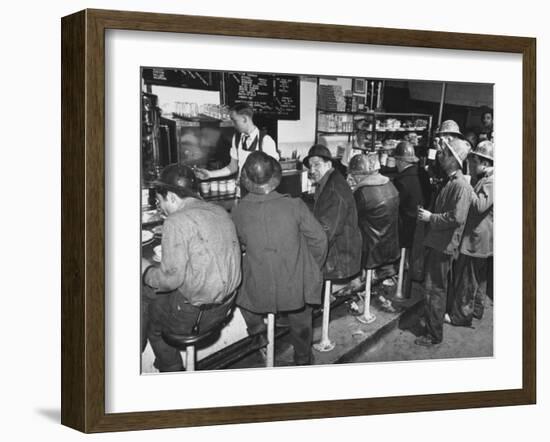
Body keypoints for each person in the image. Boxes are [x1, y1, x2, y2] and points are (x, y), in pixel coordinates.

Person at [141, 164, 242, 372]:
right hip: (226, 305)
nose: (161, 209)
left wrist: (145, 271)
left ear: (171, 196)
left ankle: (172, 371)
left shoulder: (176, 221)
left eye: (160, 202)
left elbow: (170, 281)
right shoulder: (220, 210)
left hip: (198, 316)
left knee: (150, 316)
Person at [232, 152, 328, 365]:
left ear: (246, 179)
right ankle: (302, 358)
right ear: (275, 176)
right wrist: (310, 267)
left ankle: (258, 334)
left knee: (239, 291)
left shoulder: (238, 211)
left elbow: (236, 248)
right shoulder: (294, 205)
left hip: (259, 290)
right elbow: (320, 241)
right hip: (293, 288)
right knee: (302, 316)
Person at [415, 138, 472, 346]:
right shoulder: (450, 181)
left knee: (435, 290)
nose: (441, 156)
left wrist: (431, 218)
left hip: (443, 245)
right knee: (435, 288)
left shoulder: (460, 186)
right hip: (438, 242)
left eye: (445, 154)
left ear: (454, 161)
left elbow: (457, 218)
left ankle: (433, 335)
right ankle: (433, 321)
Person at [448, 141, 494, 326]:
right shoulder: (487, 178)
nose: (474, 164)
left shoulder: (492, 180)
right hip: (483, 239)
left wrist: (467, 187)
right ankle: (476, 310)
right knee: (480, 279)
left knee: (468, 279)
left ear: (485, 162)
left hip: (477, 240)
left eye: (476, 160)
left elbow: (480, 206)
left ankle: (460, 317)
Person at [303, 144, 362, 281]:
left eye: (316, 165)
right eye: (310, 166)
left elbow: (326, 233)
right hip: (341, 247)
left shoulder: (334, 190)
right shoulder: (330, 181)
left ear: (328, 164)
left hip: (340, 256)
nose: (312, 170)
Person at [348, 153, 400, 284]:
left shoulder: (363, 193)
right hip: (391, 245)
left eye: (353, 176)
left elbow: (350, 218)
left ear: (359, 175)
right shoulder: (389, 184)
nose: (352, 178)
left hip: (372, 250)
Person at [195, 103, 279, 181]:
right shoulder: (237, 138)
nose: (233, 124)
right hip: (240, 190)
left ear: (244, 119)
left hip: (259, 193)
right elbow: (233, 167)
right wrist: (210, 174)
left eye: (234, 121)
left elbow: (274, 172)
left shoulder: (266, 141)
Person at [393, 141, 427, 250]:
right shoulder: (423, 174)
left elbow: (396, 205)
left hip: (406, 226)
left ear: (401, 161)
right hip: (421, 223)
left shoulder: (401, 181)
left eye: (396, 160)